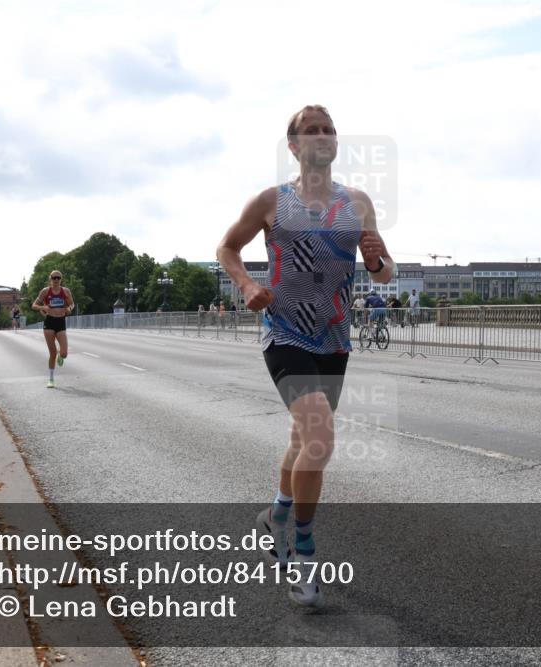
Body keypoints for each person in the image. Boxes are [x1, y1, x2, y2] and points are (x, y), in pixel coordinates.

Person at [217, 104, 394, 606]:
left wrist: (379, 257)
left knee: (303, 439)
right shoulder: (272, 201)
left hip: (335, 338)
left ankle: (275, 515)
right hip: (286, 334)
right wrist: (247, 283)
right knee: (318, 436)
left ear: (336, 143)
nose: (322, 135)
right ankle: (304, 552)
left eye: (329, 129)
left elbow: (381, 274)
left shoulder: (356, 203)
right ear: (293, 147)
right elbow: (227, 247)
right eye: (311, 130)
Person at [31, 271, 74, 388]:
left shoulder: (66, 291)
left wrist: (69, 308)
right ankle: (51, 379)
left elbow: (72, 304)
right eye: (54, 278)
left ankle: (61, 355)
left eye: (58, 278)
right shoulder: (45, 291)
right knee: (52, 353)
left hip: (61, 322)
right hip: (49, 322)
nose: (56, 280)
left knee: (64, 353)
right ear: (50, 279)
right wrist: (43, 307)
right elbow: (34, 305)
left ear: (61, 279)